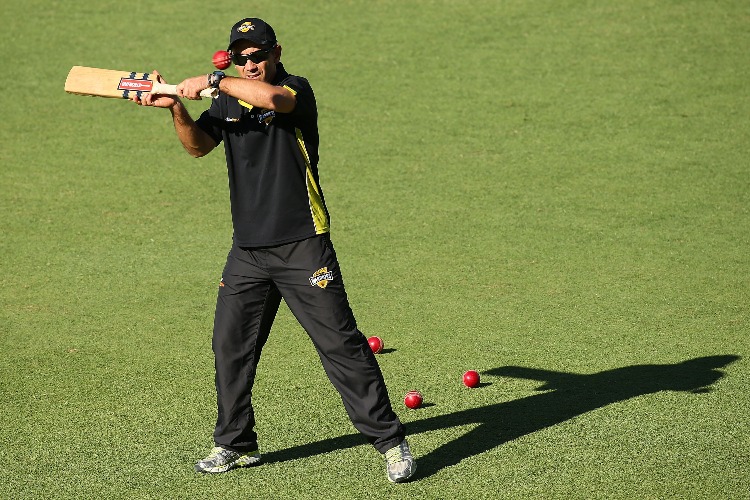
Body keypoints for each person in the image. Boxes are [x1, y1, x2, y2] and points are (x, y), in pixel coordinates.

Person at [131, 17, 415, 483]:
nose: (250, 63)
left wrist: (219, 81)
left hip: (303, 243)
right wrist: (176, 109)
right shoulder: (226, 101)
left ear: (276, 53)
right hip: (248, 251)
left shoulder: (294, 90)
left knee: (339, 345)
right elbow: (199, 147)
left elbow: (275, 101)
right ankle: (234, 443)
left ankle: (390, 442)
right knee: (230, 346)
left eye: (257, 55)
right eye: (241, 56)